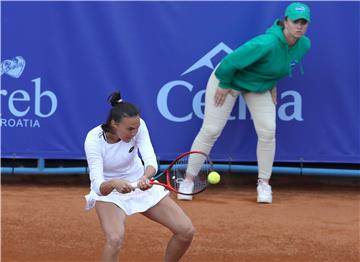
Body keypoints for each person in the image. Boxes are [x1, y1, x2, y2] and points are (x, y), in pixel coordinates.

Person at [177, 2, 311, 203]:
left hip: (258, 85)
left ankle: (264, 184)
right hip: (229, 80)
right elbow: (230, 61)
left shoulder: (304, 45)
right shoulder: (266, 43)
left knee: (268, 131)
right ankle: (188, 180)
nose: (299, 26)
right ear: (285, 22)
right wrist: (224, 83)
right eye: (295, 21)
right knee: (211, 130)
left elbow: (279, 66)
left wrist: (272, 84)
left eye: (304, 22)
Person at [84, 91, 194, 262]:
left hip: (139, 182)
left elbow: (150, 160)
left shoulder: (139, 125)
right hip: (110, 191)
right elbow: (98, 185)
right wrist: (114, 183)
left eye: (136, 128)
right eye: (129, 129)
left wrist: (146, 177)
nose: (134, 132)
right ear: (114, 124)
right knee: (114, 239)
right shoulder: (93, 140)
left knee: (186, 231)